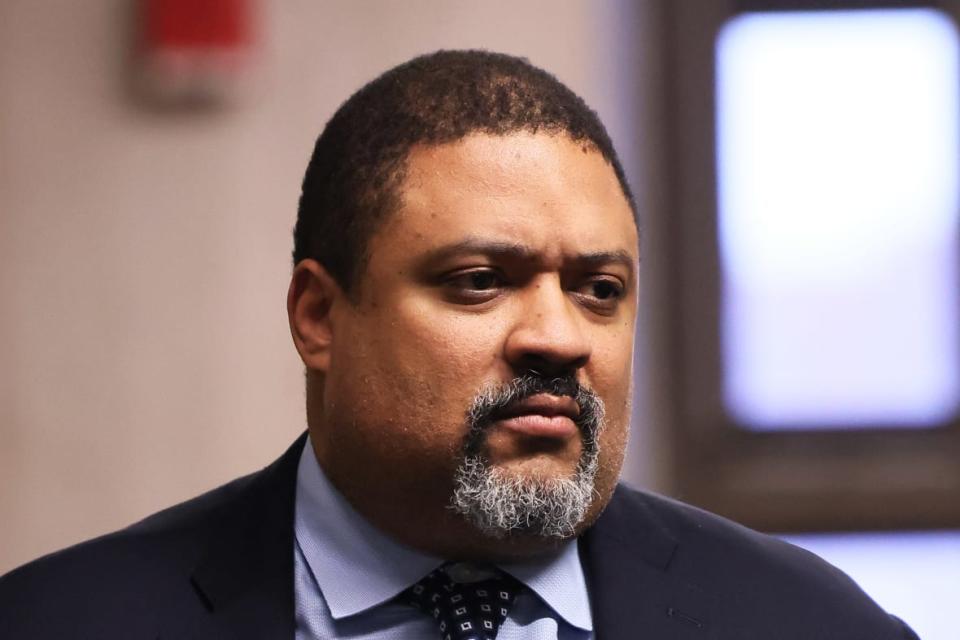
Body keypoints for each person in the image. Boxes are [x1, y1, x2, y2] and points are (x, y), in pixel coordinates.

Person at [0, 50, 918, 640]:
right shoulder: (60, 622)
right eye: (480, 281)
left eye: (600, 291)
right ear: (318, 317)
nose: (558, 337)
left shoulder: (814, 625)